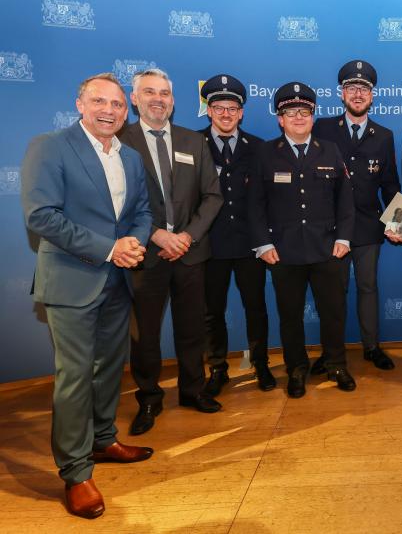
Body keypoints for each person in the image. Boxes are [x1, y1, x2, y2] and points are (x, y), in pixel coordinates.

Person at [21, 73, 154, 518]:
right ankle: (76, 473)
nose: (109, 110)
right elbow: (42, 215)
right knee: (75, 377)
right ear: (80, 104)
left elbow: (141, 212)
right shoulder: (50, 145)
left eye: (118, 104)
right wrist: (109, 249)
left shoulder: (131, 158)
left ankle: (102, 441)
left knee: (109, 369)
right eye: (99, 101)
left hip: (117, 281)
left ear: (126, 109)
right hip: (72, 282)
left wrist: (133, 243)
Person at [120, 68, 224, 435]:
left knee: (193, 329)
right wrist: (157, 236)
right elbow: (116, 202)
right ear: (135, 99)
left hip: (190, 253)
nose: (158, 99)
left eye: (164, 93)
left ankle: (193, 391)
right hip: (144, 256)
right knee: (144, 334)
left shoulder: (192, 141)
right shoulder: (119, 141)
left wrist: (187, 237)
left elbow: (213, 196)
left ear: (173, 100)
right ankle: (148, 398)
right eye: (149, 92)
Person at [249, 82, 356, 398]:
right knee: (290, 316)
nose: (298, 117)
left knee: (333, 313)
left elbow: (345, 202)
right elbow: (254, 204)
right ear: (280, 119)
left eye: (304, 111)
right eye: (290, 112)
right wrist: (263, 245)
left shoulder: (330, 150)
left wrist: (345, 239)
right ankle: (297, 369)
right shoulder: (266, 153)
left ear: (313, 116)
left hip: (328, 250)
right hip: (284, 253)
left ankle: (337, 364)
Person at [313, 60, 400, 373]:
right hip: (330, 229)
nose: (358, 93)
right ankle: (330, 352)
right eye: (352, 88)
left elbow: (390, 184)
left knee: (368, 288)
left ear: (372, 95)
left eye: (364, 88)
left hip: (366, 226)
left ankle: (372, 347)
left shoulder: (384, 135)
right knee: (332, 294)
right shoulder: (322, 129)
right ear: (342, 94)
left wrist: (399, 223)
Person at [198, 74, 274, 396]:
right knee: (211, 311)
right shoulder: (193, 144)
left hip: (249, 244)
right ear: (209, 110)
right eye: (219, 107)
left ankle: (260, 364)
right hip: (209, 244)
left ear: (241, 112)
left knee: (255, 307)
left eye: (232, 108)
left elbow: (266, 198)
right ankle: (217, 368)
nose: (226, 114)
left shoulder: (257, 147)